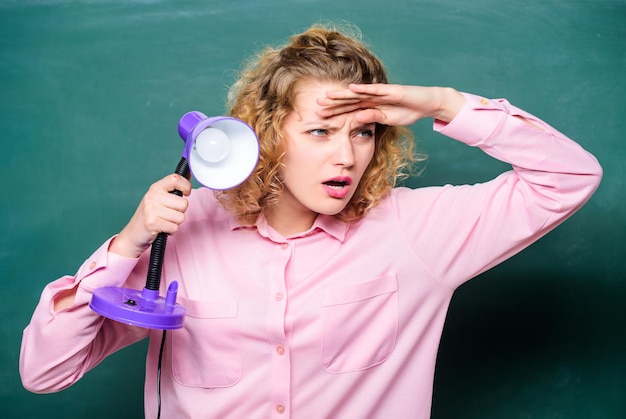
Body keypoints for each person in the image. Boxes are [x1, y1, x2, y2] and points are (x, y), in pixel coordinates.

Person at [20, 23, 602, 418]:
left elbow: (571, 177)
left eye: (363, 132)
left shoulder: (416, 231)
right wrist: (127, 245)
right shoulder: (182, 230)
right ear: (267, 133)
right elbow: (45, 373)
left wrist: (443, 103)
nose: (346, 156)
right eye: (320, 131)